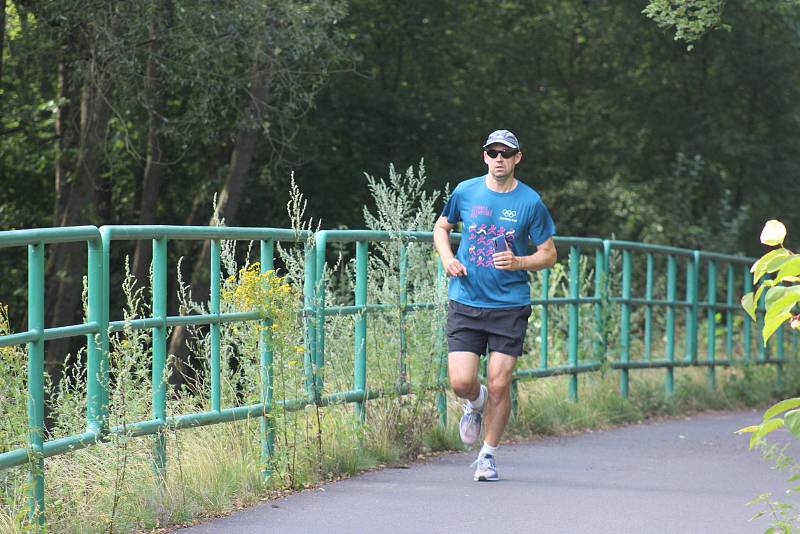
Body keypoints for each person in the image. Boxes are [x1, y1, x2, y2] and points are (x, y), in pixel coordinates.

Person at [433, 129, 557, 482]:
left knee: (500, 384)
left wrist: (519, 262)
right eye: (493, 152)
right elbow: (441, 228)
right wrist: (447, 258)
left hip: (509, 305)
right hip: (466, 299)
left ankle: (487, 457)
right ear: (484, 156)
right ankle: (475, 403)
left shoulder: (530, 202)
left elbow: (548, 254)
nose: (499, 158)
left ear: (518, 158)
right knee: (461, 382)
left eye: (507, 153)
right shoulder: (465, 191)